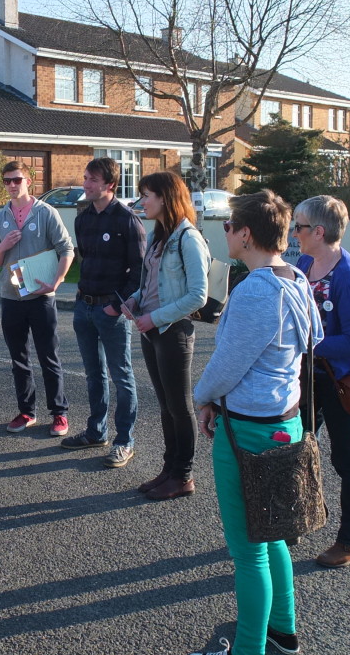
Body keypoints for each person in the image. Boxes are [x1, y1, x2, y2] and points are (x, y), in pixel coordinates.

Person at [191, 189, 323, 655]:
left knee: (248, 552)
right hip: (285, 424)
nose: (224, 233)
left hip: (246, 431)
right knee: (274, 539)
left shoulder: (254, 291)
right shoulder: (298, 281)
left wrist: (202, 398)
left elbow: (227, 365)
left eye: (228, 226)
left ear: (246, 234)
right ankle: (282, 633)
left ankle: (250, 649)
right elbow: (313, 341)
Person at [293, 195, 350, 569]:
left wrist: (311, 343)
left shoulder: (348, 276)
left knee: (347, 461)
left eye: (299, 226)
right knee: (296, 448)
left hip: (338, 382)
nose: (294, 233)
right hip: (307, 377)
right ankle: (296, 519)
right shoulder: (305, 262)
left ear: (319, 231)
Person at [122, 171, 209, 499]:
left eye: (147, 195)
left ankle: (184, 476)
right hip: (153, 330)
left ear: (165, 198)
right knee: (165, 405)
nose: (142, 201)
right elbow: (151, 284)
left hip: (173, 331)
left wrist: (154, 317)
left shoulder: (188, 238)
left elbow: (197, 295)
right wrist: (135, 300)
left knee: (180, 405)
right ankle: (169, 469)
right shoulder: (159, 235)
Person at [61, 157, 146, 468]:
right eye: (85, 178)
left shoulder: (127, 220)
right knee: (93, 374)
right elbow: (86, 261)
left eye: (93, 180)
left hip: (110, 311)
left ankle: (125, 441)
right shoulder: (82, 219)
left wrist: (117, 304)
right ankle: (96, 431)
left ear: (110, 185)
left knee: (121, 376)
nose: (86, 184)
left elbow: (139, 270)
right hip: (84, 307)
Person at [0, 160, 75, 437]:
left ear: (29, 180)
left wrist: (56, 282)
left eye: (16, 179)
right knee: (19, 359)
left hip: (41, 298)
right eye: (7, 181)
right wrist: (3, 246)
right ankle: (27, 411)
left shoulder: (46, 213)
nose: (12, 185)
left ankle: (59, 414)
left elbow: (67, 249)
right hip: (11, 298)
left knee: (49, 356)